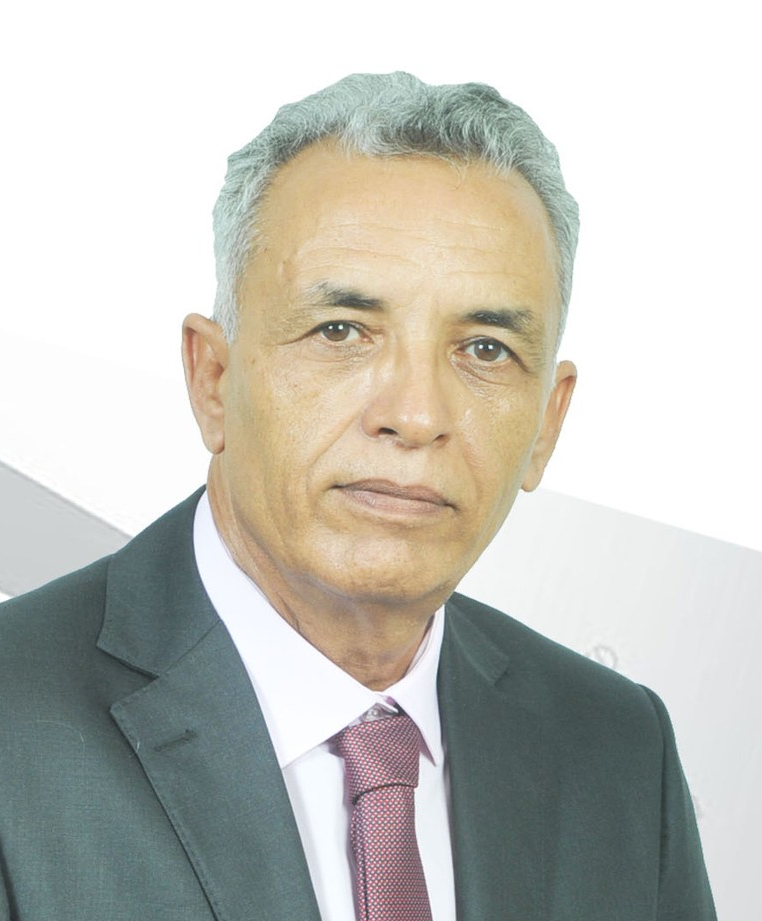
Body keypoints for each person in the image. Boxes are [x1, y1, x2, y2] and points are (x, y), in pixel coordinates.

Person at [0, 73, 715, 921]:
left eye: (485, 348)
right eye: (341, 331)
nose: (416, 414)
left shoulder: (618, 749)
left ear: (547, 424)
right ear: (213, 378)